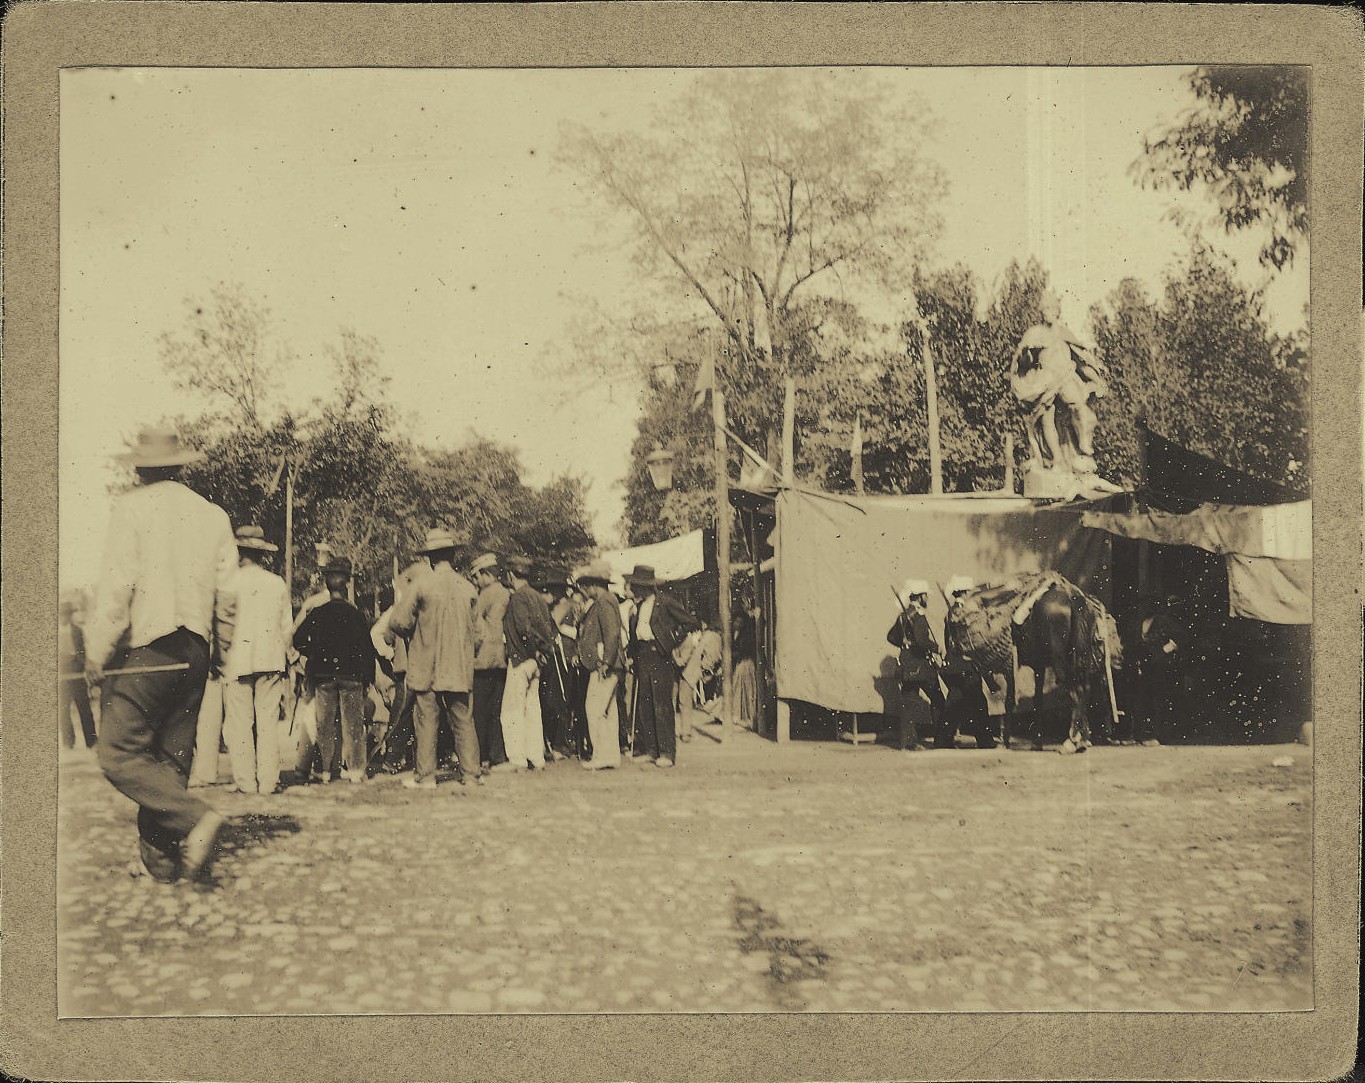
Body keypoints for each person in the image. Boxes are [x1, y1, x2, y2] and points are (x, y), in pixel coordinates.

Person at [83, 426, 238, 883]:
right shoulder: (213, 515)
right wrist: (221, 651)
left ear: (138, 468)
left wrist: (97, 650)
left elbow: (117, 586)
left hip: (149, 645)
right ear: (179, 465)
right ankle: (162, 867)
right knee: (169, 761)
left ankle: (197, 817)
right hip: (195, 647)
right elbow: (227, 598)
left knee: (118, 754)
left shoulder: (130, 508)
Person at [387, 528, 481, 790]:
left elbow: (399, 621)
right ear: (452, 556)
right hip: (458, 667)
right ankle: (471, 775)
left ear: (429, 558)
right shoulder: (468, 588)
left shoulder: (421, 585)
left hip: (426, 664)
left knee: (426, 719)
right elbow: (480, 635)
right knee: (463, 719)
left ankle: (426, 776)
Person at [219, 525, 294, 795]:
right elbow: (287, 628)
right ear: (262, 554)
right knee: (267, 722)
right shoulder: (276, 584)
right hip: (271, 659)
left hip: (237, 661)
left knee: (240, 723)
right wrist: (290, 657)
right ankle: (269, 781)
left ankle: (246, 782)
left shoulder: (230, 583)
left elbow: (222, 624)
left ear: (240, 553)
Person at [292, 556, 376, 784]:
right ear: (347, 583)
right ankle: (357, 771)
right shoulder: (356, 615)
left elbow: (298, 639)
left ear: (326, 583)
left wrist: (313, 652)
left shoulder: (318, 613)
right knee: (354, 725)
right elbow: (367, 650)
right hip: (351, 676)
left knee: (324, 724)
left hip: (323, 675)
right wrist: (368, 677)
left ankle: (324, 771)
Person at [1009, 290, 1108, 471]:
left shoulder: (1064, 333)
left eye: (1050, 308)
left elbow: (1082, 362)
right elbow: (1025, 362)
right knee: (1046, 420)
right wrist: (1025, 354)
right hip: (1045, 382)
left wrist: (1097, 380)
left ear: (1056, 311)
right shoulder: (1035, 333)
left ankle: (1084, 445)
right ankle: (1057, 460)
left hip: (1065, 376)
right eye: (1044, 308)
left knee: (1077, 403)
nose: (1047, 311)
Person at [625, 564, 700, 769]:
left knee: (662, 706)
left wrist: (669, 642)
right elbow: (635, 635)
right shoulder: (638, 607)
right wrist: (632, 656)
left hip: (659, 656)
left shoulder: (665, 603)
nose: (633, 589)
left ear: (646, 586)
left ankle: (667, 752)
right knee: (645, 705)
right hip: (642, 656)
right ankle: (651, 750)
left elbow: (690, 623)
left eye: (636, 585)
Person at [501, 555, 557, 771]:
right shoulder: (538, 597)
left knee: (512, 710)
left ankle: (517, 758)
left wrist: (531, 649)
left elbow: (524, 629)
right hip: (536, 660)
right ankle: (536, 756)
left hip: (521, 659)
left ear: (511, 575)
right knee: (533, 709)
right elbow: (548, 628)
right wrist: (542, 652)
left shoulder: (518, 598)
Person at [370, 562, 423, 774]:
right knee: (402, 715)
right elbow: (377, 635)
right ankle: (390, 758)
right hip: (406, 669)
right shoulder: (399, 609)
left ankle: (408, 758)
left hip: (419, 669)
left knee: (415, 716)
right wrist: (390, 654)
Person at [574, 560, 625, 771]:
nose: (586, 590)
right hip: (607, 664)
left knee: (594, 709)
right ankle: (609, 755)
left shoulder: (604, 603)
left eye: (588, 585)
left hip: (604, 666)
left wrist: (605, 662)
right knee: (607, 711)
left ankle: (602, 755)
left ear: (596, 584)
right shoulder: (607, 601)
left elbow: (612, 634)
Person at [939, 575, 998, 749]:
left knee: (954, 702)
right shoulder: (965, 612)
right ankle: (985, 741)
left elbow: (946, 639)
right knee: (979, 702)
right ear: (964, 593)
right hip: (967, 663)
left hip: (954, 663)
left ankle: (943, 740)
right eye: (968, 592)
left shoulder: (950, 613)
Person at [886, 579, 944, 752]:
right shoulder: (917, 615)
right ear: (919, 596)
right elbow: (921, 641)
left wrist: (904, 643)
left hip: (906, 662)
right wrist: (937, 648)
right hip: (920, 665)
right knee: (938, 700)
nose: (927, 598)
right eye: (925, 595)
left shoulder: (903, 615)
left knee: (908, 703)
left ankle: (907, 743)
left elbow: (891, 637)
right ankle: (941, 740)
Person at [469, 552, 510, 771]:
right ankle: (497, 756)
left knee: (479, 712)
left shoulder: (484, 595)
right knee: (496, 711)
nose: (476, 582)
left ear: (485, 574)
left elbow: (473, 624)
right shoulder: (505, 593)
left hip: (482, 660)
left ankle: (479, 756)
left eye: (477, 577)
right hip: (500, 660)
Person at [59, 597, 98, 752]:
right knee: (63, 708)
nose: (64, 617)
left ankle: (91, 741)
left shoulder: (76, 630)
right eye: (62, 614)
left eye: (67, 614)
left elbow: (82, 651)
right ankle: (68, 743)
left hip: (76, 670)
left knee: (84, 706)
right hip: (62, 672)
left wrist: (84, 667)